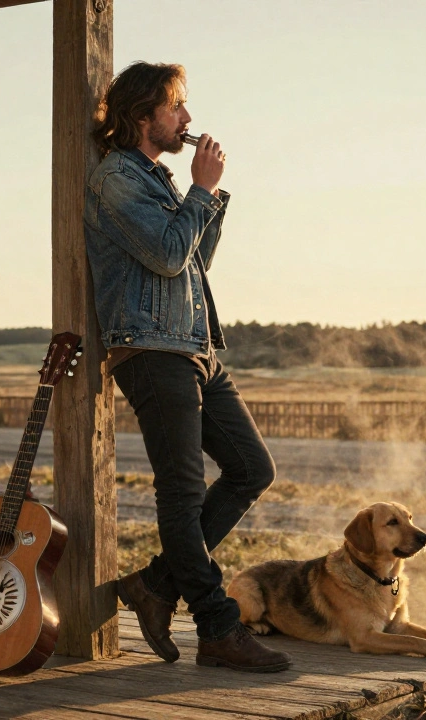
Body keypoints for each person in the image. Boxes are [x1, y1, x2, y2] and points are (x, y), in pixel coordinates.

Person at [84, 61, 291, 673]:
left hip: (195, 348)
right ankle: (218, 628)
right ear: (143, 116)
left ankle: (154, 584)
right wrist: (201, 190)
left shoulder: (158, 179)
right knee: (182, 492)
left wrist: (210, 198)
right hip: (151, 351)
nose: (187, 119)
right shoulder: (117, 180)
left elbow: (197, 260)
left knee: (253, 468)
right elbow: (170, 257)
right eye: (176, 107)